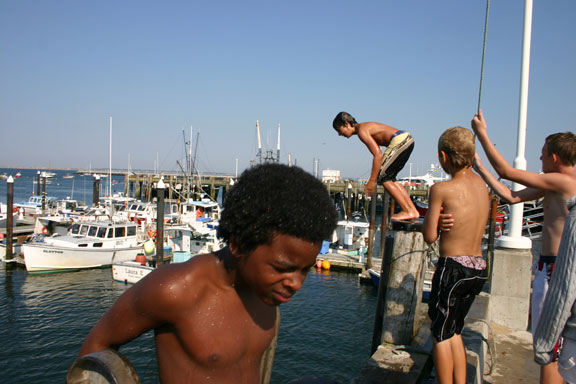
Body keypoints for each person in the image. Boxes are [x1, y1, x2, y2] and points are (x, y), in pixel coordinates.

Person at [75, 163, 338, 384]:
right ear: (237, 244)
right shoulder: (175, 289)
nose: (296, 283)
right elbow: (96, 348)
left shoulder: (266, 295)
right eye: (283, 269)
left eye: (304, 270)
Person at [471, 109, 576, 384]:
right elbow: (510, 195)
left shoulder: (564, 181)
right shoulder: (554, 184)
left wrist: (482, 134)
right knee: (553, 346)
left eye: (542, 154)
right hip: (550, 269)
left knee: (548, 348)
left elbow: (506, 171)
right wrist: (480, 168)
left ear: (555, 157)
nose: (539, 158)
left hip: (555, 272)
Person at [422, 126, 490, 384]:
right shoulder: (481, 185)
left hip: (453, 268)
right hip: (477, 268)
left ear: (443, 156)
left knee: (440, 333)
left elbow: (429, 235)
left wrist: (434, 220)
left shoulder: (442, 189)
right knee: (455, 330)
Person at [332, 111, 419, 221]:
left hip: (400, 141)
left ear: (346, 124)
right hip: (406, 139)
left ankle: (408, 210)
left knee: (383, 178)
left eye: (339, 130)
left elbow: (377, 155)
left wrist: (372, 181)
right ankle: (413, 211)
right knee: (389, 178)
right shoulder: (364, 128)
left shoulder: (362, 130)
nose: (339, 134)